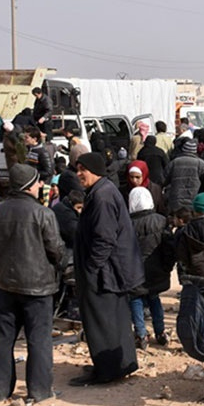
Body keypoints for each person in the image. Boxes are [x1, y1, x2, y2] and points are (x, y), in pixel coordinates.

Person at [0, 164, 65, 404]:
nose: (40, 186)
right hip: (39, 288)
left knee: (4, 340)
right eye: (38, 183)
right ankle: (39, 390)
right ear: (28, 186)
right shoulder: (43, 214)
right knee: (39, 340)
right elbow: (56, 250)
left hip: (3, 287)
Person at [69, 152, 144, 386]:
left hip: (105, 273)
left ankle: (107, 371)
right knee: (114, 320)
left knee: (102, 322)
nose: (79, 174)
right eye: (78, 169)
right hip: (110, 271)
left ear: (95, 171)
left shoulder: (102, 197)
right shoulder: (102, 191)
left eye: (83, 170)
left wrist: (90, 268)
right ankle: (120, 364)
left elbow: (104, 239)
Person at [127, 187, 174, 350]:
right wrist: (167, 267)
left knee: (136, 299)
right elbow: (169, 247)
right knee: (154, 298)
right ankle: (160, 332)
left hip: (134, 271)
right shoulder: (161, 221)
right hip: (157, 269)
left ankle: (140, 334)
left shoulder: (127, 224)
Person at [164, 139, 204, 214]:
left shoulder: (174, 162)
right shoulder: (201, 164)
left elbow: (164, 179)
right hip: (193, 200)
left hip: (176, 200)